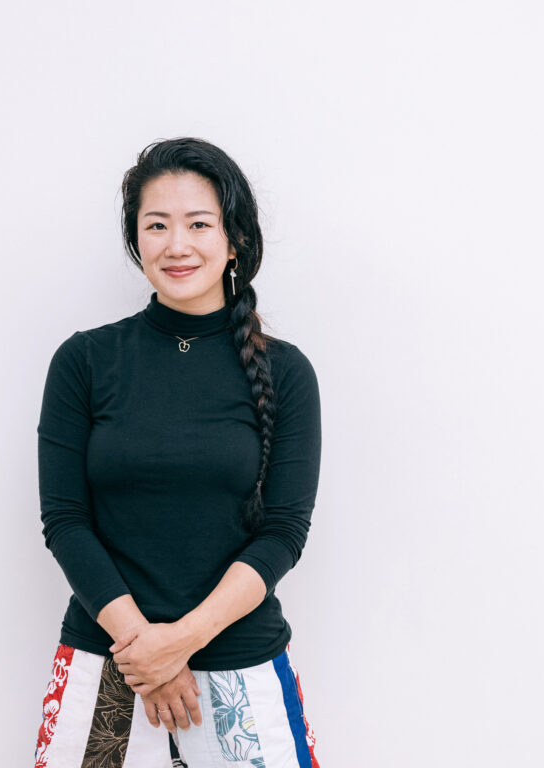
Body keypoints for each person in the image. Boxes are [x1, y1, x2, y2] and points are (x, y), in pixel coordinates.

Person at [32, 137, 322, 768]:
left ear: (234, 239)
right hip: (110, 662)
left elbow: (283, 532)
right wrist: (145, 650)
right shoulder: (84, 361)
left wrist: (179, 643)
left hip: (242, 666)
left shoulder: (286, 372)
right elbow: (66, 521)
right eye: (157, 225)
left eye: (198, 224)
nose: (176, 244)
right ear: (136, 240)